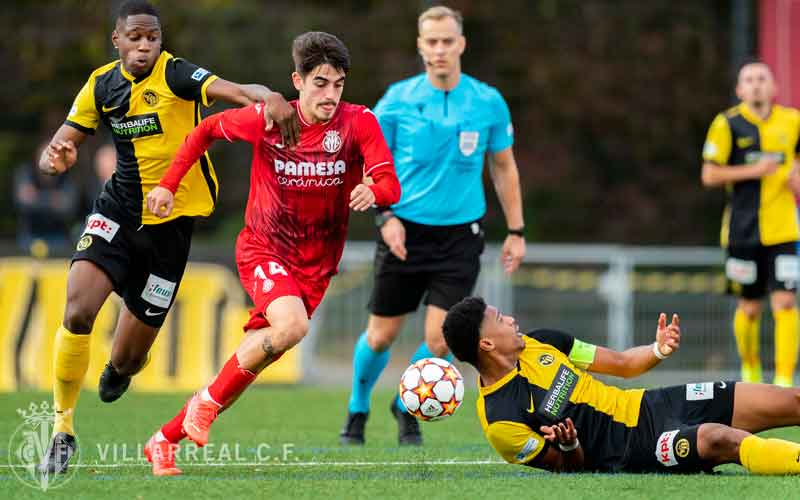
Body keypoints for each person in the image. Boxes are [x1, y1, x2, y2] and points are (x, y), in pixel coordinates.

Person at [36, 0, 299, 475]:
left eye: (152, 38)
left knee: (128, 362)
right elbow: (64, 140)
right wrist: (55, 156)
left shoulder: (177, 74)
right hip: (116, 213)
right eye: (134, 37)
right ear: (116, 40)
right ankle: (62, 430)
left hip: (172, 231)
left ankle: (119, 369)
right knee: (77, 309)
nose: (144, 46)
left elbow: (239, 91)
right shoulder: (101, 84)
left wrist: (271, 98)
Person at [142, 31, 400, 476]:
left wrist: (371, 189)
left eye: (338, 84)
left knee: (258, 357)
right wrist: (167, 185)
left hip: (316, 265)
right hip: (264, 247)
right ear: (296, 81)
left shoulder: (359, 123)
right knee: (292, 326)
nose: (330, 94)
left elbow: (391, 185)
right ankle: (200, 408)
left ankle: (165, 438)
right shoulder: (268, 120)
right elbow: (205, 130)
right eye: (320, 83)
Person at [340, 5, 526, 447]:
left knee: (441, 341)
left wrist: (516, 231)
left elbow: (504, 168)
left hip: (461, 236)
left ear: (461, 44)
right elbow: (369, 164)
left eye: (448, 41)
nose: (440, 49)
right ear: (420, 46)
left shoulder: (487, 102)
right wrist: (385, 218)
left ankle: (404, 404)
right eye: (432, 42)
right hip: (404, 231)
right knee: (381, 336)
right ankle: (358, 406)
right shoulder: (397, 100)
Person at [442, 296, 800, 474]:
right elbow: (572, 469)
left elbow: (624, 365)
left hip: (651, 405)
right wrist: (569, 446)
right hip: (632, 449)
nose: (512, 320)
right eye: (501, 320)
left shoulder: (543, 342)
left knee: (791, 399)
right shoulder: (501, 421)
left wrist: (658, 348)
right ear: (486, 344)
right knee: (721, 438)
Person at [701, 60, 800, 387]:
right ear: (740, 90)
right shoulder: (727, 124)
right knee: (750, 308)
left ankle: (785, 381)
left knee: (785, 302)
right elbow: (710, 174)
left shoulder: (793, 121)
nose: (756, 84)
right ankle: (751, 370)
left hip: (784, 230)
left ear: (774, 88)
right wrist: (752, 172)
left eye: (762, 78)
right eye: (749, 80)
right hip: (742, 232)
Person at [14, 141, 80, 253]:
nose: (48, 161)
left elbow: (69, 208)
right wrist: (53, 199)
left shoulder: (67, 176)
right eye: (45, 156)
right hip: (29, 235)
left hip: (58, 237)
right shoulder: (26, 172)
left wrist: (36, 197)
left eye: (53, 156)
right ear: (36, 158)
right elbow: (21, 204)